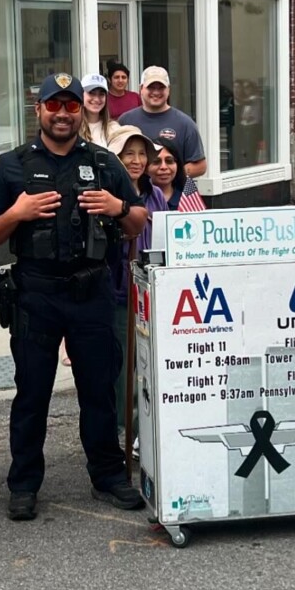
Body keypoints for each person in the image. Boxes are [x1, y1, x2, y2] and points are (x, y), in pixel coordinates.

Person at [0, 73, 148, 521]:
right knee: (32, 392)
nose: (63, 115)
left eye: (72, 107)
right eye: (54, 106)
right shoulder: (12, 165)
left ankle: (108, 476)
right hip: (37, 293)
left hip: (91, 291)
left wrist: (119, 208)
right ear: (39, 110)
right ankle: (25, 483)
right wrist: (17, 212)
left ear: (81, 113)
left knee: (98, 390)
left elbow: (138, 220)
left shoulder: (104, 162)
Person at [106, 125, 165, 431]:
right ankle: (123, 429)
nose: (137, 160)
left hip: (151, 288)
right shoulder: (108, 195)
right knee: (123, 366)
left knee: (150, 363)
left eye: (142, 154)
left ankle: (146, 427)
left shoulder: (154, 194)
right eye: (129, 153)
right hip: (119, 290)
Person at [120, 66, 207, 180]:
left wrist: (170, 172)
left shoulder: (185, 123)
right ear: (141, 88)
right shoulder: (126, 121)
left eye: (161, 87)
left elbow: (200, 166)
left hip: (173, 195)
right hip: (135, 194)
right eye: (151, 87)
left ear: (169, 89)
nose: (156, 92)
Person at [79, 74, 120, 148]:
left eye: (101, 94)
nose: (97, 99)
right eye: (91, 93)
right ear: (81, 94)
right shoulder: (73, 127)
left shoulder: (114, 128)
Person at [147, 137, 184, 210]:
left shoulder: (188, 199)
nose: (163, 167)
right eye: (156, 162)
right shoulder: (138, 199)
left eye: (169, 161)